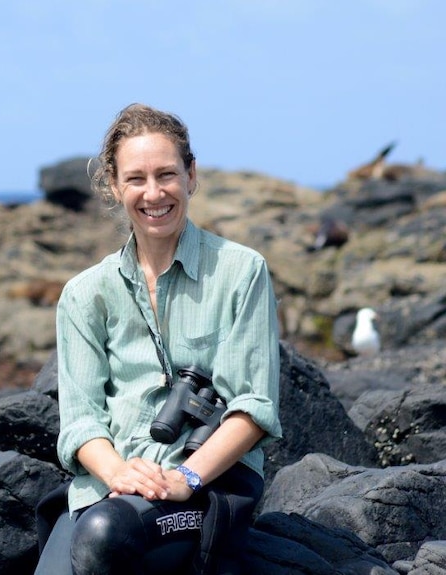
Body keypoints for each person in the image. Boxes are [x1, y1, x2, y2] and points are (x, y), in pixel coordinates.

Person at [34, 103, 282, 575]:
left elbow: (253, 407)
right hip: (107, 487)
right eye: (136, 179)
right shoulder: (85, 294)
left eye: (167, 174)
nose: (154, 193)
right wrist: (118, 473)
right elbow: (81, 423)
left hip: (205, 485)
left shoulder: (240, 271)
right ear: (114, 186)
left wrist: (185, 477)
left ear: (192, 175)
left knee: (103, 538)